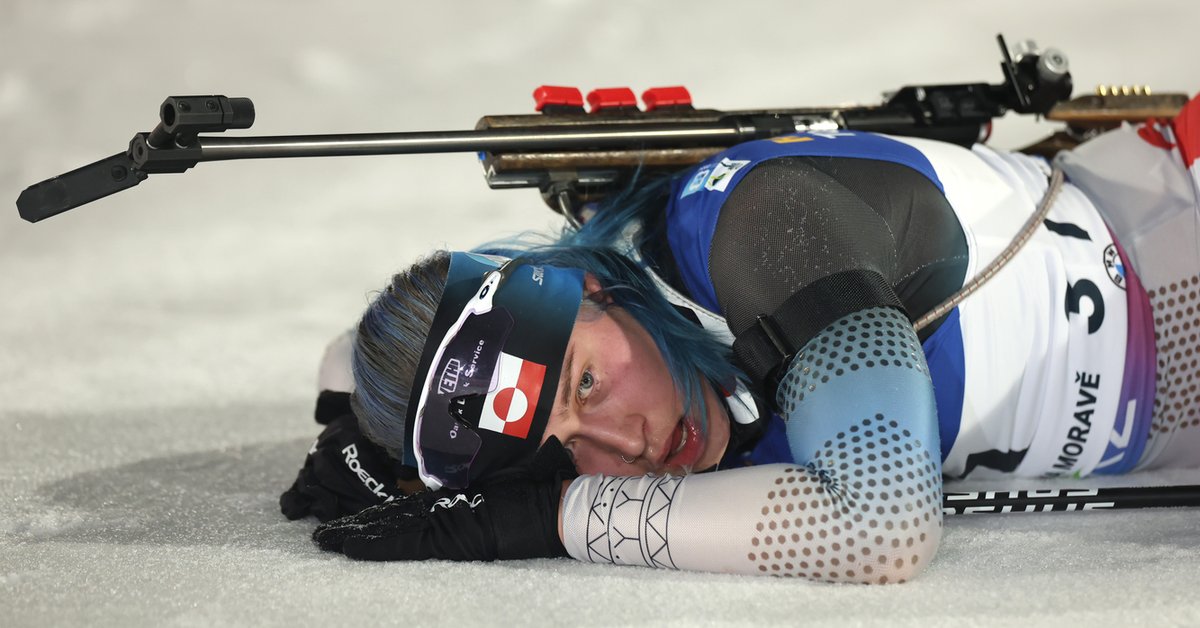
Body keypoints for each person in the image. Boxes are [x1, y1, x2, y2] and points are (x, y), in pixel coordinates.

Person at [281, 96, 1200, 584]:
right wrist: (362, 424)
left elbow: (880, 526)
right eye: (563, 456)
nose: (624, 451)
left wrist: (550, 519)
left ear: (600, 289)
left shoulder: (761, 232)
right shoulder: (609, 343)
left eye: (591, 387)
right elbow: (367, 354)